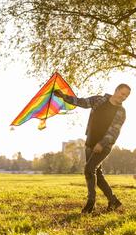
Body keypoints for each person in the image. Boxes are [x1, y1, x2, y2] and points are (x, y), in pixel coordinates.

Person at [54, 84, 130, 214]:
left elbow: (114, 131)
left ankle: (91, 203)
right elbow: (82, 102)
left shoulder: (121, 112)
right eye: (122, 93)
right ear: (116, 90)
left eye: (126, 96)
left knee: (89, 170)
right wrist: (63, 96)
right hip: (90, 142)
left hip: (104, 146)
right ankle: (113, 201)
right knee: (97, 175)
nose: (123, 97)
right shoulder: (99, 100)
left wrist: (102, 143)